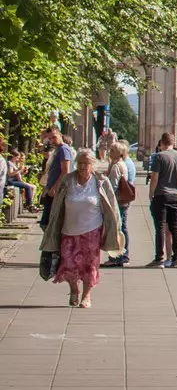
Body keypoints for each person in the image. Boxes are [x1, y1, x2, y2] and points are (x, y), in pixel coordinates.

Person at [43, 148, 123, 308]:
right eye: (79, 163)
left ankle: (86, 296)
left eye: (86, 163)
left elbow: (113, 207)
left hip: (92, 230)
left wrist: (115, 228)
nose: (82, 166)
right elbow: (57, 205)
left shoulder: (100, 181)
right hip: (68, 230)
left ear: (92, 165)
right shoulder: (67, 180)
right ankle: (74, 290)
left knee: (90, 264)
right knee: (69, 263)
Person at [146, 134, 177, 267]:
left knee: (160, 227)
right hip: (175, 195)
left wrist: (151, 193)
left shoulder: (159, 157)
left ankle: (159, 258)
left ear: (161, 143)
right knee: (175, 227)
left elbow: (155, 178)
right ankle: (176, 258)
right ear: (173, 143)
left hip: (161, 194)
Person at [104, 140, 135, 267]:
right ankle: (121, 255)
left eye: (112, 150)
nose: (109, 152)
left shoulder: (116, 166)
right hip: (123, 201)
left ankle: (118, 256)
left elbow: (113, 186)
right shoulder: (121, 164)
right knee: (121, 227)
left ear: (119, 153)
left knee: (118, 228)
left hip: (117, 201)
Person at [38, 123, 72, 231]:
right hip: (51, 190)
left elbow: (65, 172)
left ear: (60, 135)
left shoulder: (63, 149)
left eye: (54, 137)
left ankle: (52, 246)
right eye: (50, 138)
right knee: (46, 222)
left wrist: (54, 188)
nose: (52, 140)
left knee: (48, 223)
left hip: (57, 191)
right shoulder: (57, 149)